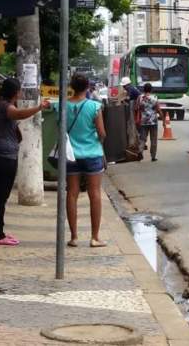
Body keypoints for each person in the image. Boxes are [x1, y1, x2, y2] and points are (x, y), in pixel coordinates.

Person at [0, 77, 51, 246]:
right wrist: (39, 107)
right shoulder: (7, 107)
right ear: (15, 92)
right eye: (19, 91)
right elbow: (18, 114)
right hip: (2, 157)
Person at [65, 73, 108, 248]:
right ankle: (95, 237)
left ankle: (74, 237)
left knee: (72, 193)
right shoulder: (94, 106)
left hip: (70, 155)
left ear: (71, 86)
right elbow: (102, 133)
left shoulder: (63, 105)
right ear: (88, 86)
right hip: (92, 154)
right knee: (95, 194)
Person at [135, 83, 162, 161]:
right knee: (153, 140)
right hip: (153, 121)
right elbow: (158, 109)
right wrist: (163, 119)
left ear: (144, 89)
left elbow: (136, 108)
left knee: (142, 138)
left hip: (143, 121)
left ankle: (140, 151)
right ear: (151, 89)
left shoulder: (140, 97)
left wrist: (137, 118)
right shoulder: (155, 97)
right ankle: (153, 157)